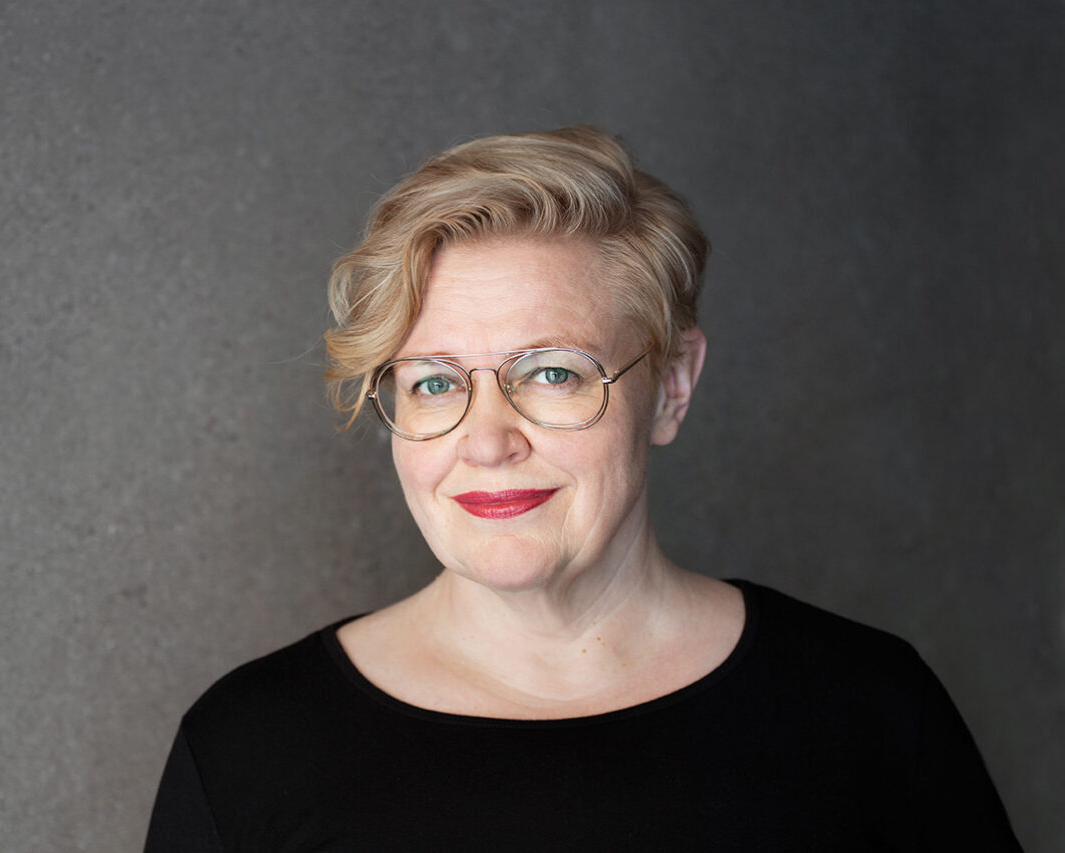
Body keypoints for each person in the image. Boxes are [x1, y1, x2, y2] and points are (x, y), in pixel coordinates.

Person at [143, 127, 1021, 851]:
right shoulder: (247, 750)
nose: (488, 440)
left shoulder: (870, 710)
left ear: (671, 387)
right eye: (435, 383)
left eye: (553, 372)